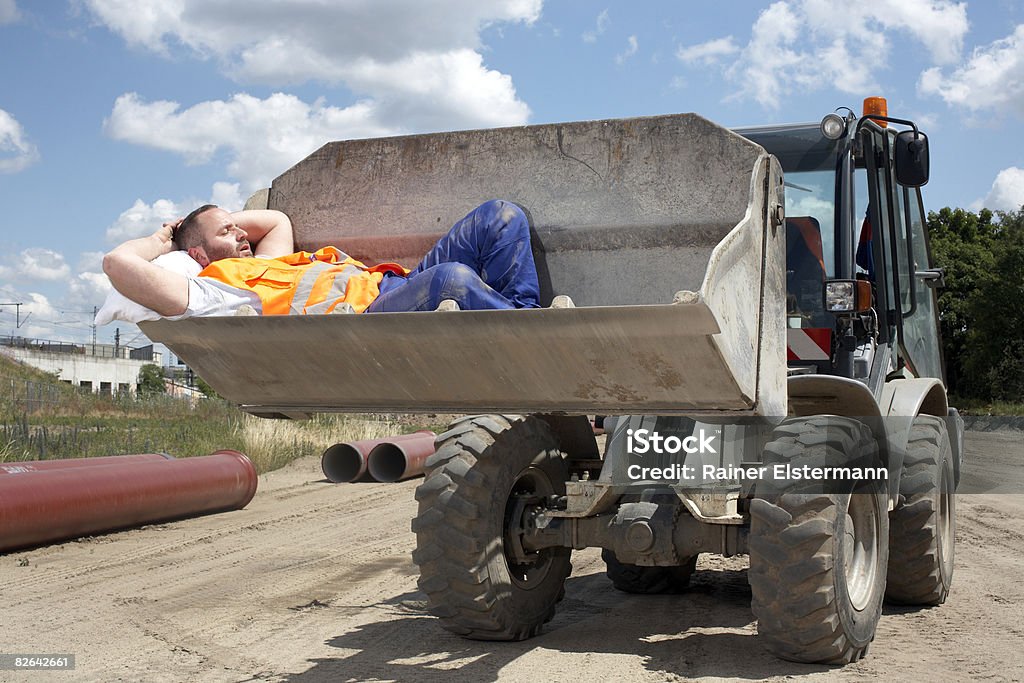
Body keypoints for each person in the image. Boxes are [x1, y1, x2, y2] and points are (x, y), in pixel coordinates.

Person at [96, 199, 542, 325]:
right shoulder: (215, 291)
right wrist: (166, 237)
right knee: (453, 280)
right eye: (226, 233)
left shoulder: (262, 262)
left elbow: (274, 219)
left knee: (500, 216)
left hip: (397, 284)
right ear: (197, 255)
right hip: (370, 318)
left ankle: (524, 320)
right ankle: (536, 343)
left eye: (237, 227)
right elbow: (118, 263)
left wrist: (217, 221)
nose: (239, 233)